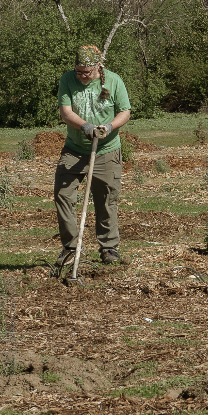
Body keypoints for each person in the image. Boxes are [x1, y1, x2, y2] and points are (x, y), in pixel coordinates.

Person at [54, 44, 131, 271]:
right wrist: (84, 125)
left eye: (86, 72)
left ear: (98, 66)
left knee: (106, 199)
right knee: (63, 194)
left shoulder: (114, 81)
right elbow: (65, 112)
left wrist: (109, 126)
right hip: (74, 148)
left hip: (107, 150)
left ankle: (108, 247)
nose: (82, 76)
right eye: (78, 71)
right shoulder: (67, 80)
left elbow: (125, 111)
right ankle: (71, 247)